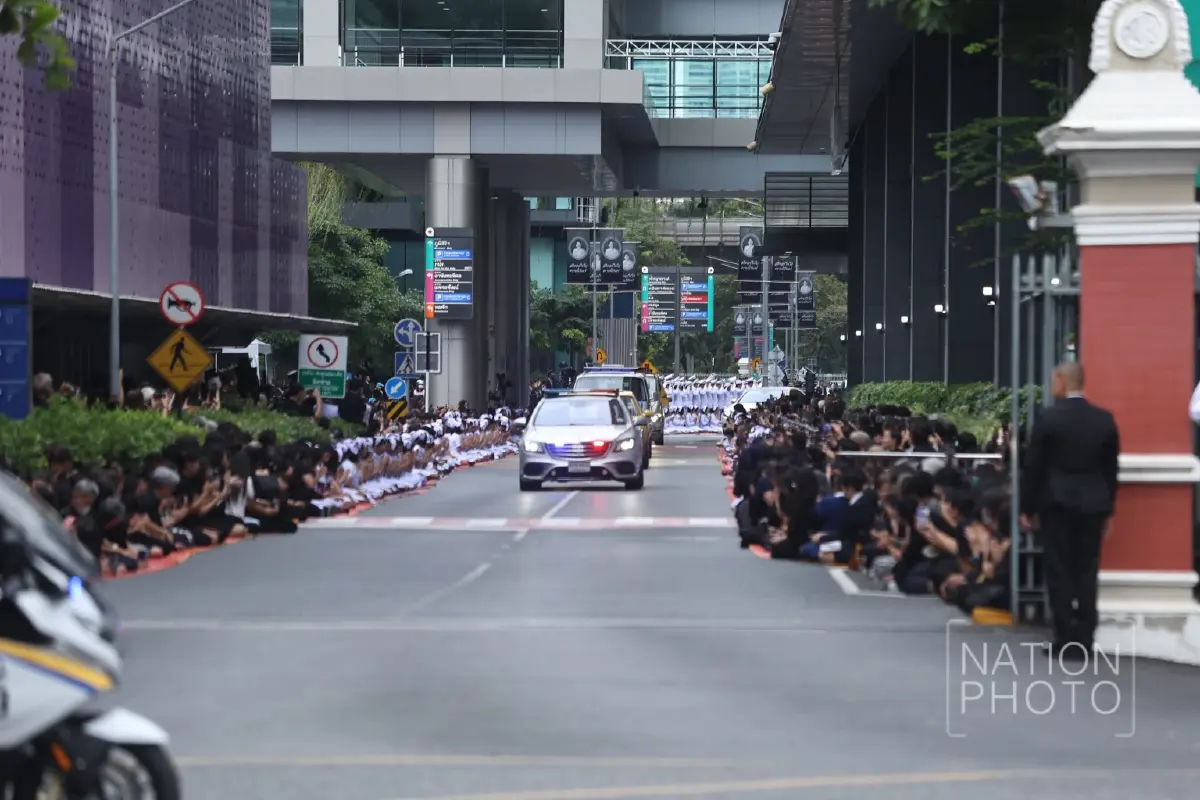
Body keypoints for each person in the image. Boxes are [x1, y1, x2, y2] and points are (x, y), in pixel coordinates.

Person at [1020, 362, 1120, 658]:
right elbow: (1110, 468)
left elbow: (1033, 466)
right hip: (1094, 504)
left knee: (1060, 570)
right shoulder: (1104, 420)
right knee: (1088, 570)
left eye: (1053, 380)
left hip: (1057, 503)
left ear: (1063, 381)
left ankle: (1065, 639)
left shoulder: (1049, 419)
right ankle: (1086, 639)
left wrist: (1028, 507)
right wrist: (1108, 508)